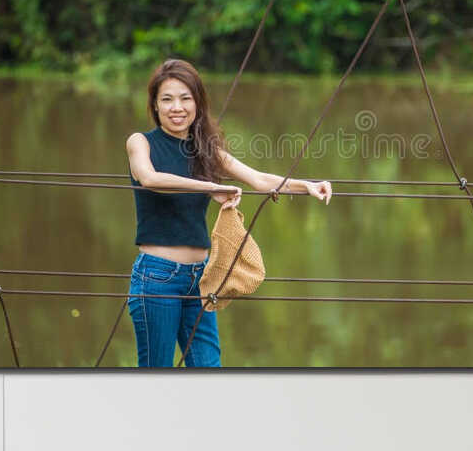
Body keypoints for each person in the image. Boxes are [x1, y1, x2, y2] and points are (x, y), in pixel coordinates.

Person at [124, 57, 332, 367]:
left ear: (198, 103)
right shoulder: (140, 143)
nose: (176, 107)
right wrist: (209, 188)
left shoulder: (204, 150)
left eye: (185, 98)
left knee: (209, 368)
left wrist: (306, 185)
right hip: (157, 276)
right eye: (166, 99)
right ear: (154, 106)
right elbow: (150, 179)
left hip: (202, 278)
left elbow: (258, 179)